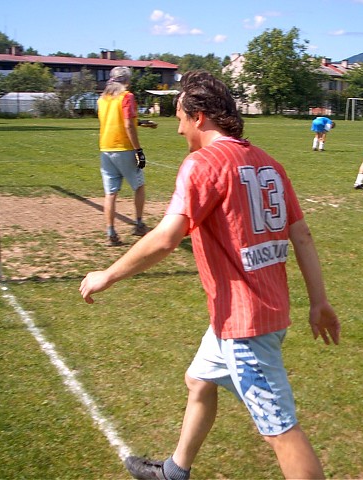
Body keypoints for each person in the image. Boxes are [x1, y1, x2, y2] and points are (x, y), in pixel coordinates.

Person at [80, 70, 341, 480]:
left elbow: (166, 238)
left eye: (180, 118)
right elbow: (302, 236)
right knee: (199, 380)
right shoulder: (268, 162)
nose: (178, 128)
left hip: (246, 324)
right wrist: (319, 301)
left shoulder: (201, 164)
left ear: (199, 117)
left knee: (281, 431)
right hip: (251, 314)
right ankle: (175, 471)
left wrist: (107, 275)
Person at [97, 66, 148, 247]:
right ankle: (139, 224)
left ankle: (111, 232)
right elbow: (127, 124)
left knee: (110, 193)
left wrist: (140, 122)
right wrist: (138, 150)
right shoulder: (127, 96)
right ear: (127, 80)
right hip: (124, 148)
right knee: (139, 186)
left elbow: (115, 120)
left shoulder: (102, 99)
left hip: (105, 148)